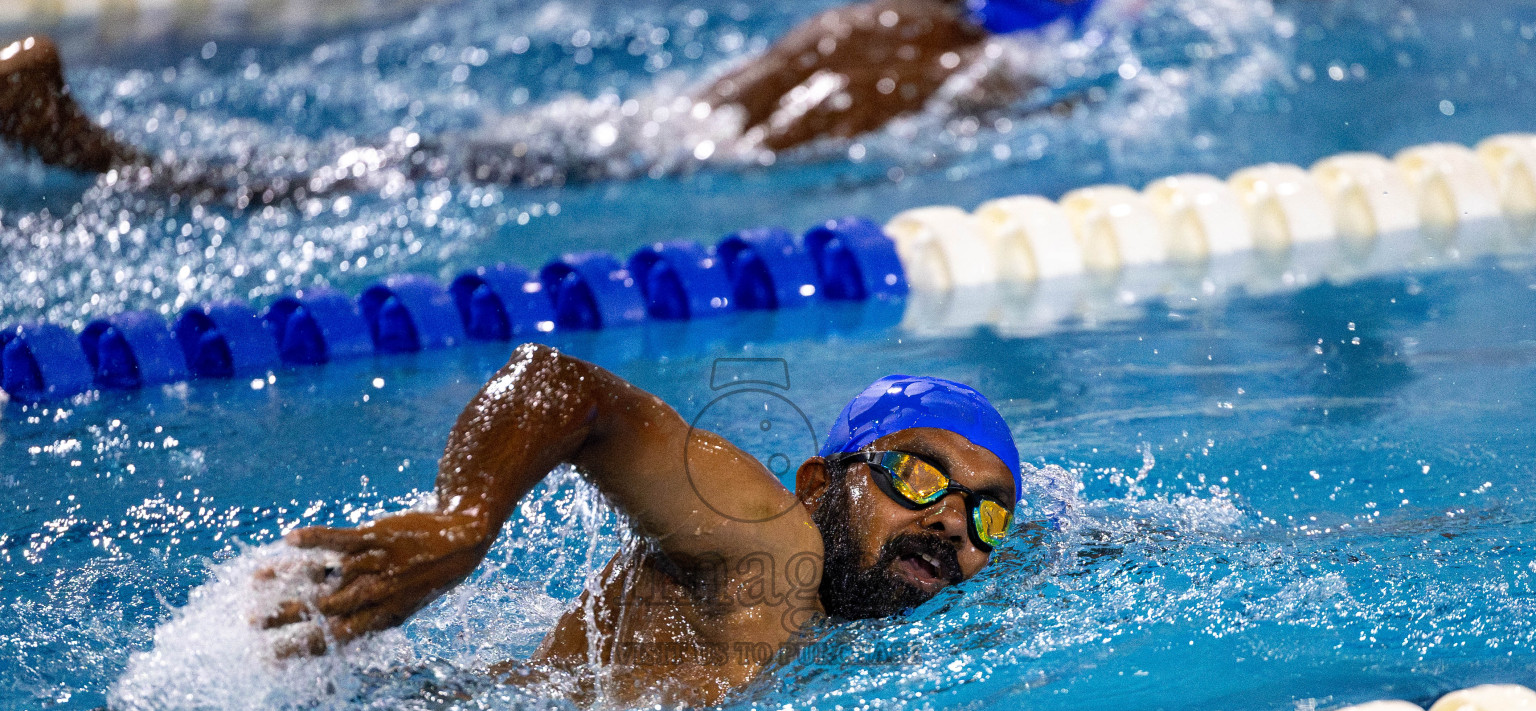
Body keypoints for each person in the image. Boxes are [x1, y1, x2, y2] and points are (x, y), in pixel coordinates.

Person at [262, 344, 1020, 707]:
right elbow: (560, 387)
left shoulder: (884, 615)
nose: (953, 520)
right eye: (917, 476)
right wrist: (466, 519)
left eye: (988, 515)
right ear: (821, 482)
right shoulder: (767, 542)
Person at [0, 0, 1093, 196]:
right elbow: (792, 139)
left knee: (409, 162)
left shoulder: (890, 16)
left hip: (641, 118)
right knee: (337, 188)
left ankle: (115, 156)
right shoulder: (970, 70)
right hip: (664, 159)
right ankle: (111, 161)